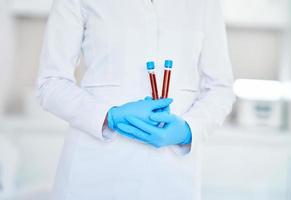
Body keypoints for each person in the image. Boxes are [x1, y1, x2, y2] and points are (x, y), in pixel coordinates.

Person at [36, 0, 235, 199]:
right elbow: (51, 82)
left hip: (171, 176)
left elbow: (220, 89)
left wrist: (189, 130)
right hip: (93, 172)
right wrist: (108, 116)